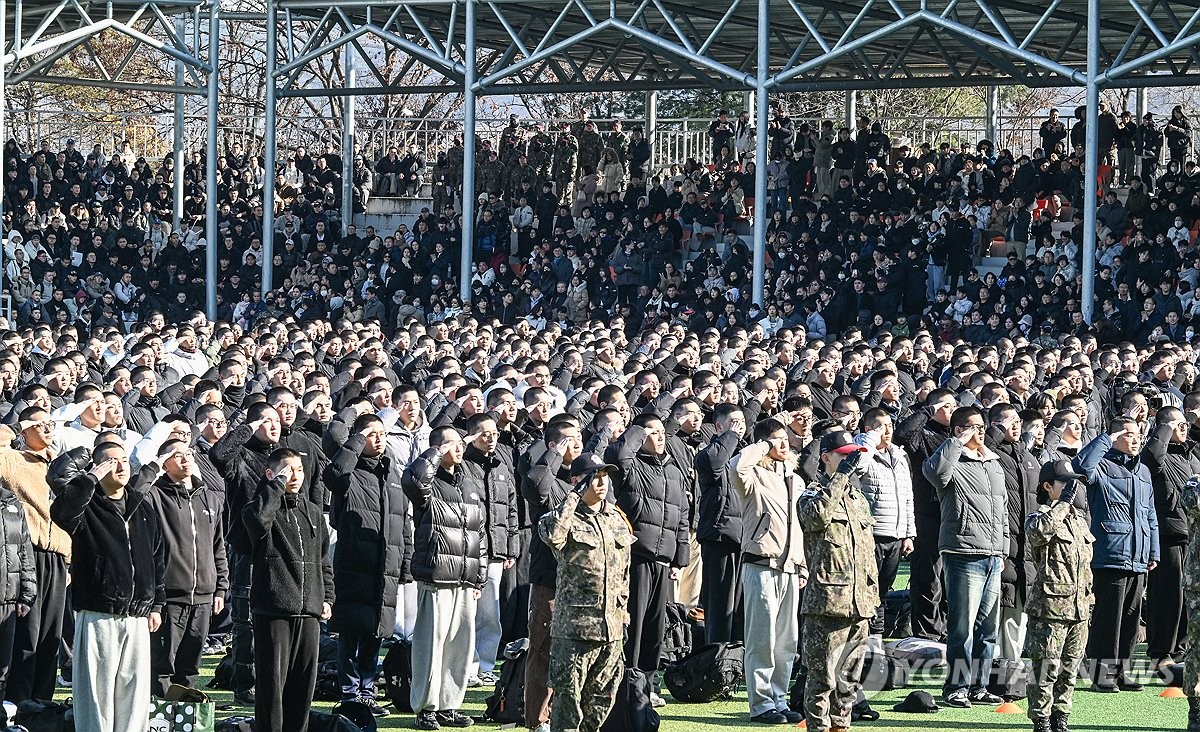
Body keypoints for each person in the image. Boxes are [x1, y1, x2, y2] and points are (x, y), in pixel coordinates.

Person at [50, 441, 165, 732]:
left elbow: (157, 558)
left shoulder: (143, 506)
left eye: (125, 460)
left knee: (134, 693)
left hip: (138, 614)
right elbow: (62, 512)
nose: (121, 466)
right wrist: (89, 478)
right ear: (99, 467)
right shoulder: (87, 506)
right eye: (112, 461)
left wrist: (157, 604)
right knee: (96, 695)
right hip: (99, 611)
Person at [539, 453, 633, 732]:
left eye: (604, 476)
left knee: (602, 700)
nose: (601, 483)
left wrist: (623, 615)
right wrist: (573, 498)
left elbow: (624, 570)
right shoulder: (562, 518)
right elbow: (554, 536)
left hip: (611, 628)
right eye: (594, 477)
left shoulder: (616, 517)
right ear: (577, 481)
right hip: (575, 629)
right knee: (568, 703)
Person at [323, 412, 409, 714]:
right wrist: (357, 439)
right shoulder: (350, 471)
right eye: (371, 434)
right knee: (350, 631)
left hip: (385, 565)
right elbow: (333, 474)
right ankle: (350, 692)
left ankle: (367, 691)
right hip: (354, 562)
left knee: (377, 631)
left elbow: (402, 522)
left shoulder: (391, 473)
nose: (379, 438)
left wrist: (405, 563)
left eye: (382, 433)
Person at [922, 406, 1008, 709]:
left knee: (987, 629)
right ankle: (956, 687)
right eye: (973, 426)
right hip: (963, 552)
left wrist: (1004, 547)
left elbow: (1003, 508)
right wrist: (957, 443)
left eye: (982, 426)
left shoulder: (994, 463)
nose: (980, 431)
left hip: (993, 554)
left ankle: (979, 686)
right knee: (962, 627)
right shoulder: (951, 459)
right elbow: (935, 473)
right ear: (958, 429)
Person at [242, 448, 333, 732]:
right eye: (287, 469)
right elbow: (257, 522)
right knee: (271, 688)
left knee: (303, 689)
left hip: (309, 612)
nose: (295, 475)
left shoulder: (314, 513)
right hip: (273, 611)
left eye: (299, 469)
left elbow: (322, 561)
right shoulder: (258, 507)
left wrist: (327, 597)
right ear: (270, 474)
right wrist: (275, 487)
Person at [403, 425, 485, 730]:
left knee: (459, 646)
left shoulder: (469, 482)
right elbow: (413, 480)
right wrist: (436, 450)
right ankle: (426, 708)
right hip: (436, 575)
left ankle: (449, 706)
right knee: (430, 646)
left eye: (461, 443)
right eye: (451, 443)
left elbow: (479, 533)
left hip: (465, 578)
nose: (459, 447)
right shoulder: (429, 483)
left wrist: (479, 577)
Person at [605, 413, 690, 706]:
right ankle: (627, 681)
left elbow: (683, 517)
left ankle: (647, 683)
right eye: (651, 432)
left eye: (661, 431)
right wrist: (638, 429)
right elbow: (616, 453)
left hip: (664, 559)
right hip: (636, 556)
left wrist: (680, 558)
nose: (659, 436)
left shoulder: (674, 472)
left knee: (655, 626)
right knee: (634, 623)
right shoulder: (631, 466)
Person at [796, 430, 876, 732]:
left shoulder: (857, 499)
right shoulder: (812, 493)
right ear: (826, 457)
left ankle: (841, 726)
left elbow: (866, 551)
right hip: (828, 603)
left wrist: (872, 597)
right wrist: (840, 476)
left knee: (849, 678)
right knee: (823, 677)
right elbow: (816, 518)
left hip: (860, 602)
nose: (850, 461)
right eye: (844, 456)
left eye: (852, 457)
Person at [731, 418, 807, 725]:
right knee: (762, 638)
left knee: (786, 641)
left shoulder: (796, 478)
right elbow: (737, 466)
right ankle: (761, 704)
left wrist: (801, 565)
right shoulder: (753, 475)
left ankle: (779, 697)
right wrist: (763, 444)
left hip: (789, 568)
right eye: (776, 439)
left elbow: (799, 527)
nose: (783, 443)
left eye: (785, 437)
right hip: (760, 564)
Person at [1075, 418, 1159, 692]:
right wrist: (1106, 439)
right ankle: (1101, 674)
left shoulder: (1143, 471)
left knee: (1132, 617)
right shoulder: (1102, 465)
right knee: (1108, 617)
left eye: (1138, 435)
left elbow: (1150, 515)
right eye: (1129, 435)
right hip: (1111, 552)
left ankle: (1122, 671)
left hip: (1139, 554)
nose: (1136, 440)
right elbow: (1081, 466)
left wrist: (1153, 549)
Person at [145, 438, 227, 697]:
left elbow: (218, 547)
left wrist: (221, 588)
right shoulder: (154, 495)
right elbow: (135, 493)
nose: (185, 458)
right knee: (161, 666)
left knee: (190, 667)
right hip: (169, 598)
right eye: (176, 454)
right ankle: (159, 719)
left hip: (204, 597)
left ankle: (184, 718)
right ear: (164, 463)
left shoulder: (210, 499)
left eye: (188, 453)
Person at [0, 413, 70, 705]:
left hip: (58, 556)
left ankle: (42, 705)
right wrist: (18, 427)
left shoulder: (60, 465)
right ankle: (19, 704)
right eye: (38, 424)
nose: (46, 428)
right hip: (29, 554)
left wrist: (69, 559)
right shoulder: (14, 459)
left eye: (50, 424)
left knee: (50, 638)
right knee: (27, 636)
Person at [1024, 460, 1094, 732]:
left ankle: (1060, 717)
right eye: (1064, 483)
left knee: (1070, 670)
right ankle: (1041, 721)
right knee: (1045, 670)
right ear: (1047, 486)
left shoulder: (1078, 519)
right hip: (1050, 608)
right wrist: (1063, 504)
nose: (1071, 488)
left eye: (1072, 483)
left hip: (1079, 608)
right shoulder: (1040, 516)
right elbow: (1039, 534)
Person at [0, 472, 35, 719]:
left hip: (8, 600)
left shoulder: (12, 503)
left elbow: (24, 549)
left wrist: (27, 593)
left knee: (2, 667)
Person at [1179, 473, 1200, 732]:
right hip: (1198, 584)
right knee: (1197, 648)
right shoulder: (1195, 482)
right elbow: (1191, 501)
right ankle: (1196, 710)